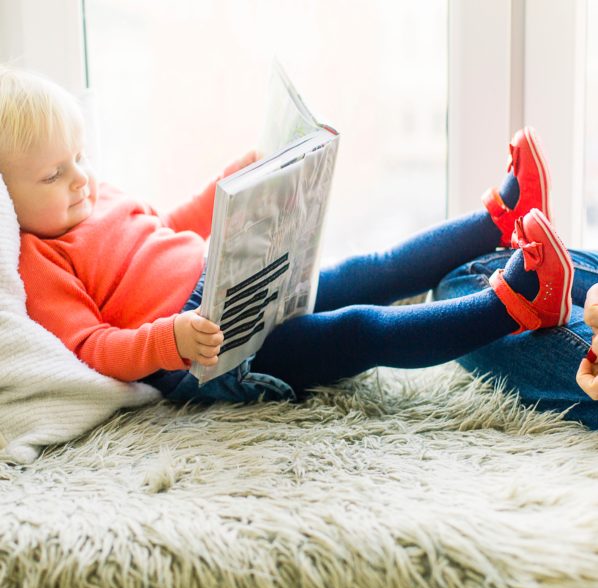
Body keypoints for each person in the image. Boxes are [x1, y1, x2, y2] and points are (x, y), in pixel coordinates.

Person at [1, 64, 597, 427]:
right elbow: (93, 348)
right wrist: (170, 341)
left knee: (373, 267)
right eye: (52, 175)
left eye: (79, 157)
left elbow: (167, 225)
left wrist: (238, 179)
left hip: (239, 281)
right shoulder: (39, 261)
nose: (79, 177)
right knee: (360, 330)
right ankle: (516, 303)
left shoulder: (94, 197)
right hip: (216, 352)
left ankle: (498, 217)